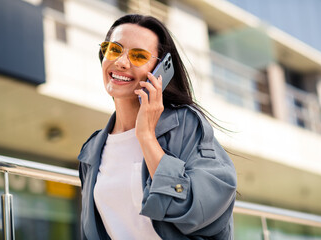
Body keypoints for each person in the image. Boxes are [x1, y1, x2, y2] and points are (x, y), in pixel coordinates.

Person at [78, 14, 237, 240]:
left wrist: (146, 137)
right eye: (114, 49)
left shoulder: (186, 125)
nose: (121, 62)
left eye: (139, 55)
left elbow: (202, 213)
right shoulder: (93, 149)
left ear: (161, 69)